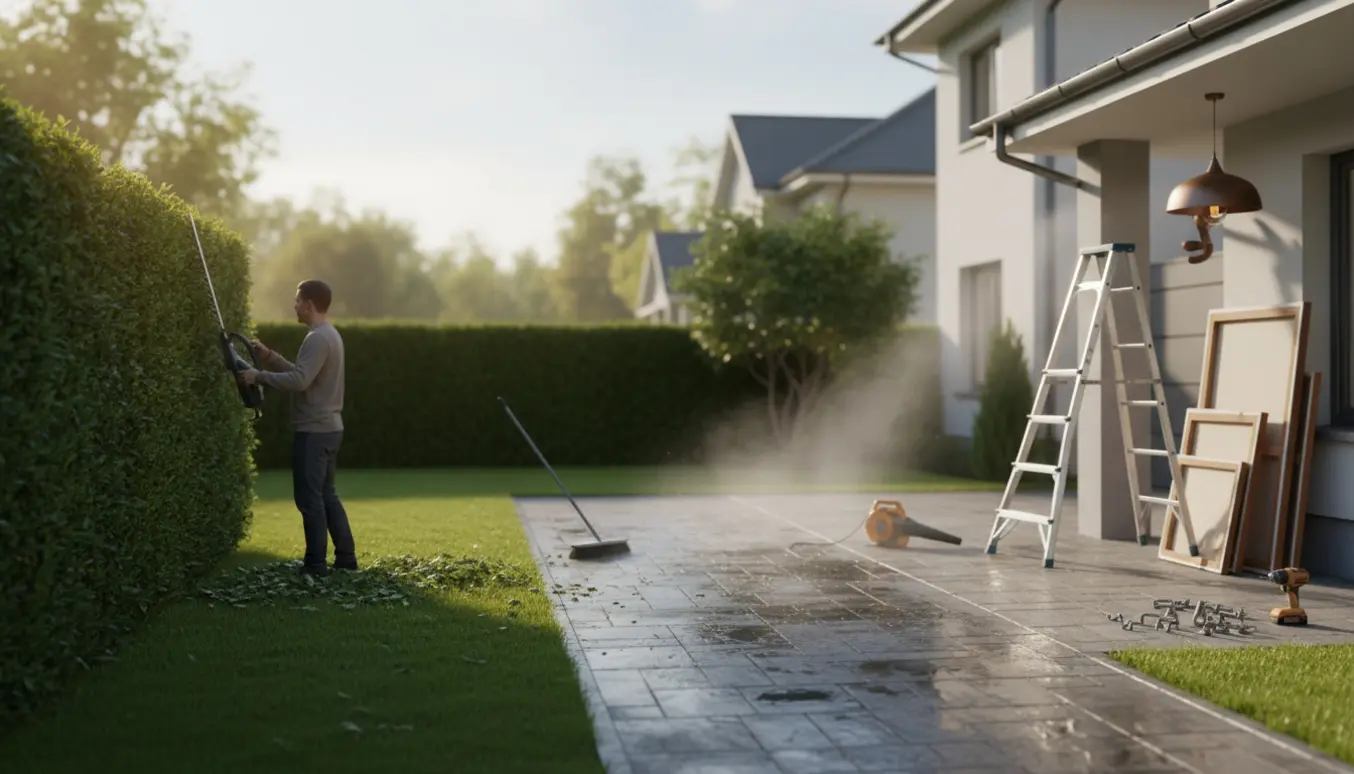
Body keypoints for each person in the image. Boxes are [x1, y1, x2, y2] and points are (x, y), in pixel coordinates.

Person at [238, 279, 357, 576]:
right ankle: (346, 560)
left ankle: (315, 566)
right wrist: (268, 357)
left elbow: (299, 382)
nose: (294, 306)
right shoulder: (329, 335)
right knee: (326, 495)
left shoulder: (318, 338)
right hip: (329, 429)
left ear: (309, 304)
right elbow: (303, 374)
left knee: (309, 499)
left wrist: (257, 376)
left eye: (297, 300)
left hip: (314, 432)